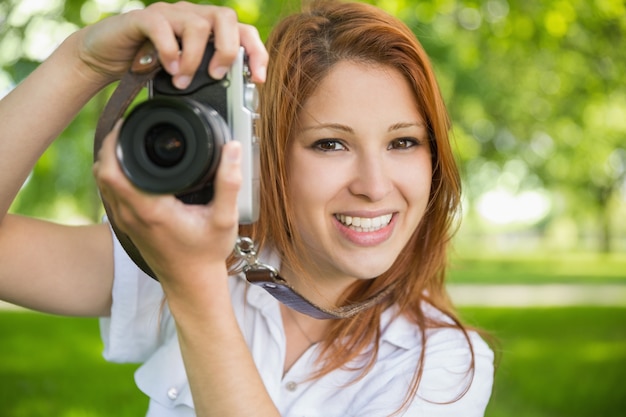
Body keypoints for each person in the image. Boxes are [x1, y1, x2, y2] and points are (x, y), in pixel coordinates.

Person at [0, 1, 494, 416]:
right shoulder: (187, 247)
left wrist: (194, 291)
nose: (373, 184)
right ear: (268, 156)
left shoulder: (445, 365)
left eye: (403, 142)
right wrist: (81, 62)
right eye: (330, 145)